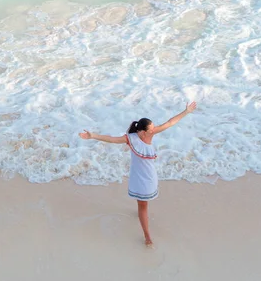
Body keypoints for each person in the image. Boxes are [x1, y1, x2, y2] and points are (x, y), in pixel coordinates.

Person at [79, 102, 197, 247]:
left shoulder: (150, 133)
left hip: (150, 174)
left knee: (144, 203)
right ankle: (147, 237)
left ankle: (141, 214)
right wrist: (92, 135)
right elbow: (112, 139)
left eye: (153, 128)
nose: (153, 131)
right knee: (143, 206)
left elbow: (170, 123)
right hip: (138, 177)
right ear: (142, 132)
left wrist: (186, 111)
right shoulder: (131, 138)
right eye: (151, 129)